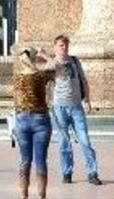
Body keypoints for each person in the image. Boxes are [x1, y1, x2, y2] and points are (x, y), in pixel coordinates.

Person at [43, 35, 102, 185]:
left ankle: (92, 172)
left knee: (85, 140)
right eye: (61, 45)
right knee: (64, 142)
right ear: (55, 47)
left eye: (66, 45)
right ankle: (67, 172)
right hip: (59, 107)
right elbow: (44, 84)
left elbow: (83, 80)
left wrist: (87, 99)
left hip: (76, 106)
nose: (65, 48)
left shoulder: (74, 61)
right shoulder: (51, 64)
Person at [12, 49, 54, 199]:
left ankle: (24, 196)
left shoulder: (17, 76)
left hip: (22, 119)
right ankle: (42, 198)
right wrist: (45, 55)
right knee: (40, 159)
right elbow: (59, 68)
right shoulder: (40, 75)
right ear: (34, 59)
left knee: (25, 159)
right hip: (40, 119)